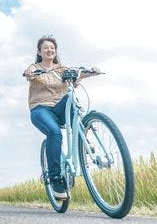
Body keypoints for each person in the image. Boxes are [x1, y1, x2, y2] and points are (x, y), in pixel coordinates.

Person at [23, 35, 99, 199]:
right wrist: (30, 72)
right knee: (55, 133)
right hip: (40, 109)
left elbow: (77, 74)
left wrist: (91, 72)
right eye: (45, 47)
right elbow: (28, 73)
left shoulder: (61, 68)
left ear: (55, 50)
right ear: (39, 51)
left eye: (52, 47)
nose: (49, 50)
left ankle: (84, 139)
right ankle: (55, 178)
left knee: (71, 98)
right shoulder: (35, 66)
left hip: (59, 108)